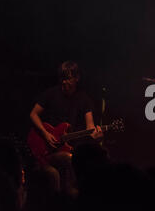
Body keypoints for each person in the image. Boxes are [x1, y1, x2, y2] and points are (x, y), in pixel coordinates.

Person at [29, 61, 103, 196]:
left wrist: (96, 135)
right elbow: (33, 114)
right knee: (68, 160)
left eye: (68, 78)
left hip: (67, 150)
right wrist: (45, 134)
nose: (64, 82)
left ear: (77, 78)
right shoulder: (51, 94)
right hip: (47, 150)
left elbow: (90, 127)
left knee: (73, 158)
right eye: (62, 78)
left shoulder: (84, 100)